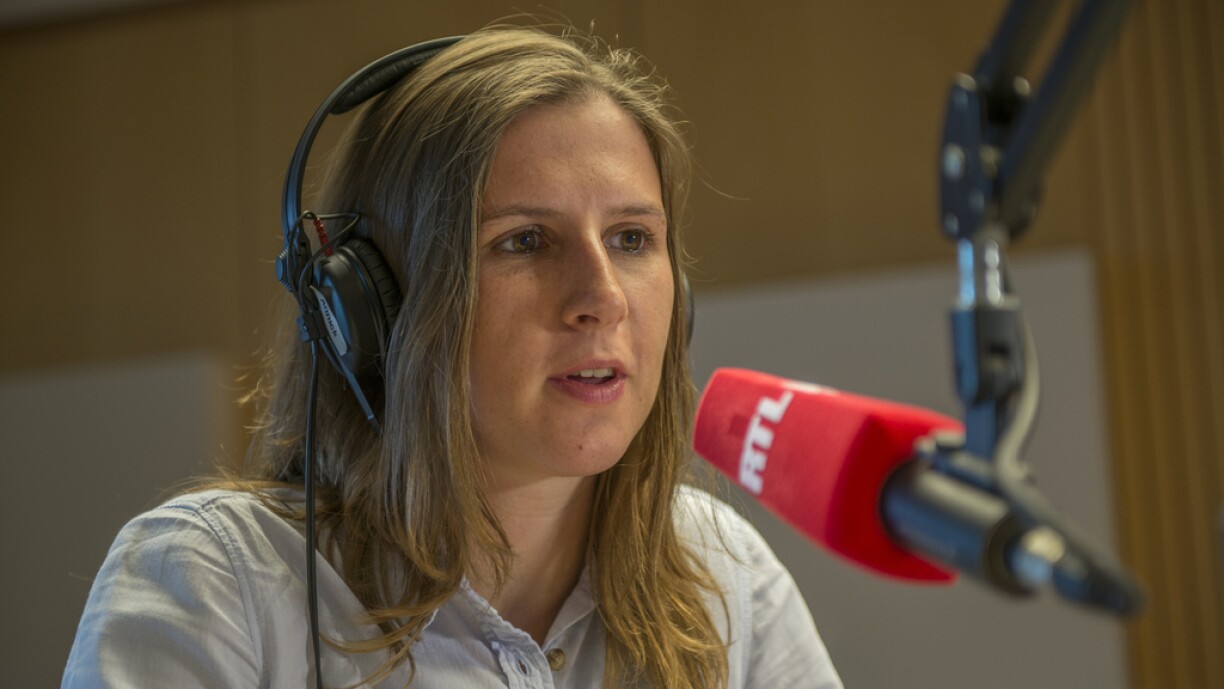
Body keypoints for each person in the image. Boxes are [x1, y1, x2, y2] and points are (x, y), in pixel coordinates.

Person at [62, 25, 843, 689]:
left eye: (631, 238)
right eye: (525, 241)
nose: (603, 297)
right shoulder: (215, 580)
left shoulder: (724, 574)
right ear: (373, 306)